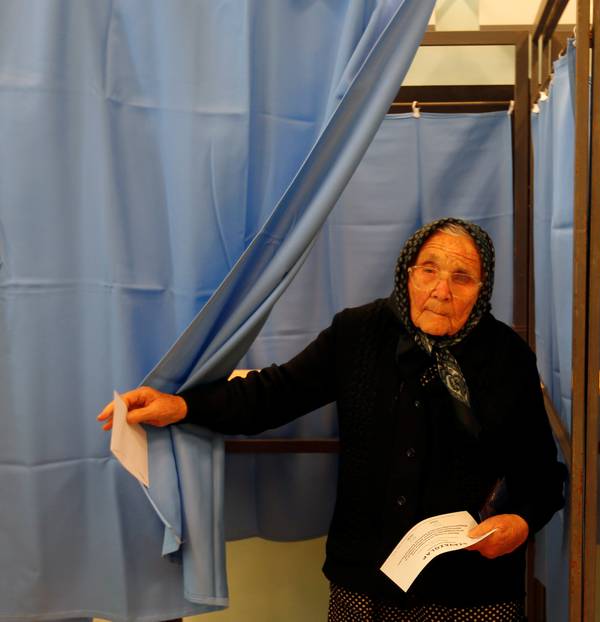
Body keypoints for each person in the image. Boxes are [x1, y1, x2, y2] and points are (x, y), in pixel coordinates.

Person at [99, 218, 566, 621]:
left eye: (462, 278)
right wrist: (183, 405)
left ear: (482, 291)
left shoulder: (508, 358)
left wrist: (520, 523)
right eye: (428, 270)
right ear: (407, 273)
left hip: (472, 591)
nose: (440, 291)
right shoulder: (358, 334)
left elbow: (542, 476)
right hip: (363, 582)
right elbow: (274, 394)